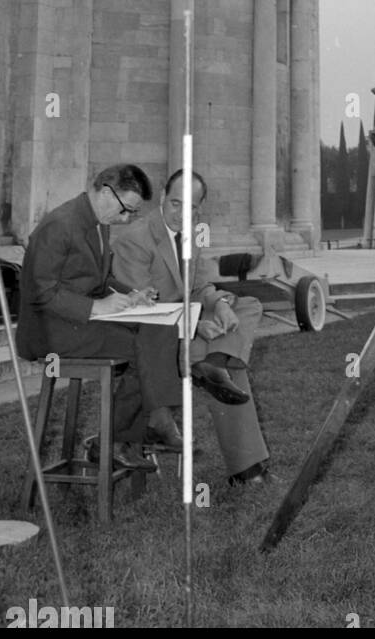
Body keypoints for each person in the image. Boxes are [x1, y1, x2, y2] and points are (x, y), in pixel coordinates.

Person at [110, 169, 273, 486]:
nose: (181, 214)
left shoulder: (193, 236)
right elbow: (144, 311)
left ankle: (214, 363)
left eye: (191, 208)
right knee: (231, 369)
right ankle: (247, 469)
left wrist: (222, 305)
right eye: (175, 204)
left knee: (249, 305)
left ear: (200, 209)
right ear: (161, 198)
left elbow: (200, 289)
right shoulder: (135, 239)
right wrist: (197, 325)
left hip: (184, 333)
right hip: (152, 345)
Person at [16, 164, 183, 468]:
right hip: (50, 330)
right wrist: (96, 308)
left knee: (161, 327)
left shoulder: (98, 222)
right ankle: (126, 436)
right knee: (140, 347)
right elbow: (41, 292)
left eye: (131, 214)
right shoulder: (60, 224)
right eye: (126, 210)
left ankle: (135, 431)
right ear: (106, 192)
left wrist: (132, 295)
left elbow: (98, 280)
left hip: (76, 319)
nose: (126, 219)